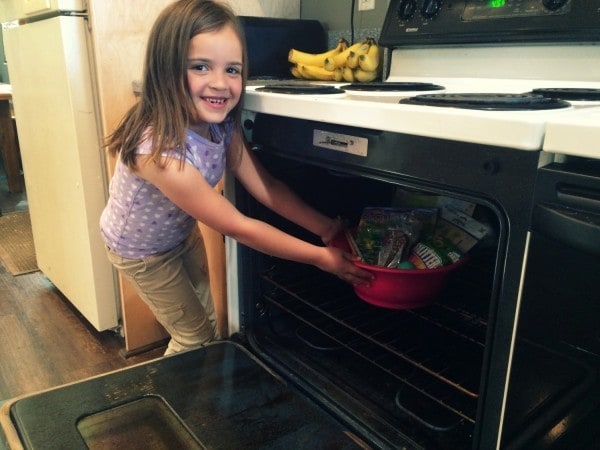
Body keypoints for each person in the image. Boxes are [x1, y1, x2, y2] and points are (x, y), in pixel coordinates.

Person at [100, 0, 372, 356]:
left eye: (233, 69)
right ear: (166, 70)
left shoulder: (222, 125)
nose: (220, 84)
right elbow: (239, 226)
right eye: (200, 67)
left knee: (207, 324)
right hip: (142, 253)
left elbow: (267, 188)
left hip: (178, 235)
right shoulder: (159, 153)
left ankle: (198, 381)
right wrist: (321, 258)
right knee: (192, 337)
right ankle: (172, 404)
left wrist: (325, 227)